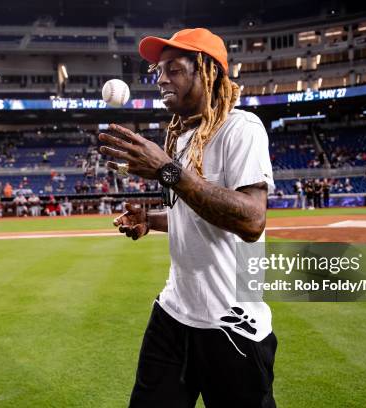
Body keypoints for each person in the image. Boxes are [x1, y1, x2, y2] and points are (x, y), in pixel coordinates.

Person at [99, 28, 277, 407]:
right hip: (175, 312)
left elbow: (251, 221)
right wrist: (152, 218)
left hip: (232, 323)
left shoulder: (241, 129)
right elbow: (194, 212)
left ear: (207, 73)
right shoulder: (179, 137)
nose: (161, 79)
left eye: (174, 69)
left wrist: (168, 172)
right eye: (158, 71)